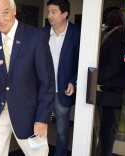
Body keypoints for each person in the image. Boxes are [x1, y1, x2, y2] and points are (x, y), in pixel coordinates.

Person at [0, 0, 55, 155]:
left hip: (29, 115)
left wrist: (42, 118)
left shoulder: (35, 37)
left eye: (5, 12)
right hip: (0, 111)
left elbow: (48, 82)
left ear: (14, 10)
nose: (1, 19)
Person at [42, 0, 80, 155]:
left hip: (62, 92)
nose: (49, 15)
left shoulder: (76, 34)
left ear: (65, 14)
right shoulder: (42, 33)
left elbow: (81, 63)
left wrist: (73, 81)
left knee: (62, 132)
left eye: (53, 12)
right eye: (49, 11)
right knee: (38, 127)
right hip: (43, 90)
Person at [96, 9, 125, 156]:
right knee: (104, 130)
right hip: (106, 93)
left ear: (116, 21)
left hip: (112, 93)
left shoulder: (118, 37)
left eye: (109, 18)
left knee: (108, 131)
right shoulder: (109, 35)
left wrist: (93, 77)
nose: (105, 20)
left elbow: (114, 67)